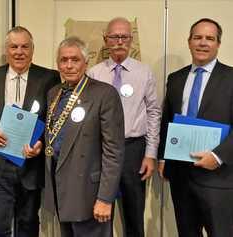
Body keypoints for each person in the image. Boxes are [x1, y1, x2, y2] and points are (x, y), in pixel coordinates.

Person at [0, 26, 60, 237]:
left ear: (32, 49)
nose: (19, 51)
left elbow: (54, 117)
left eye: (24, 46)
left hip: (31, 163)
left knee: (28, 223)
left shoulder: (50, 78)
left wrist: (41, 143)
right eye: (14, 46)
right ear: (7, 50)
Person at [39, 36, 124, 237]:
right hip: (61, 190)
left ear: (86, 63)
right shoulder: (54, 93)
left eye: (75, 60)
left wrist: (105, 198)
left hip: (89, 193)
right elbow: (56, 136)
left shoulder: (104, 94)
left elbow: (114, 152)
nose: (68, 65)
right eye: (63, 60)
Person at [158, 18, 233, 237]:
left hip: (219, 177)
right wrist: (163, 158)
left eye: (209, 38)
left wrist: (218, 156)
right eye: (197, 37)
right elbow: (167, 121)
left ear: (218, 44)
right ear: (189, 41)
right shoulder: (175, 78)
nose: (203, 43)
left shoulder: (231, 78)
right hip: (181, 177)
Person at [88, 17, 161, 237]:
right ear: (105, 39)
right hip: (101, 150)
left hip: (134, 150)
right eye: (114, 36)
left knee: (134, 214)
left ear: (131, 39)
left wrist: (150, 154)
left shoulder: (144, 72)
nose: (119, 41)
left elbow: (154, 112)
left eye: (124, 37)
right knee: (100, 214)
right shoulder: (94, 73)